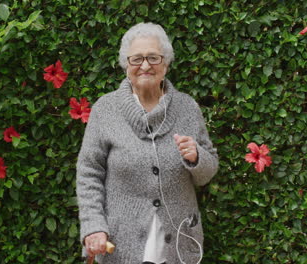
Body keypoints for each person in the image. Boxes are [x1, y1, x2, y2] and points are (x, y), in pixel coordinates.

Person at [76, 22, 219, 264]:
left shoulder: (187, 107)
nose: (145, 65)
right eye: (137, 59)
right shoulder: (106, 109)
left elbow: (208, 171)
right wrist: (93, 226)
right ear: (126, 65)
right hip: (121, 245)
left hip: (179, 244)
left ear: (166, 63)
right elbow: (89, 173)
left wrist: (196, 157)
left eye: (153, 57)